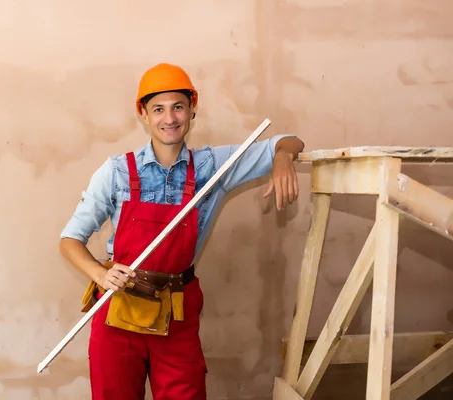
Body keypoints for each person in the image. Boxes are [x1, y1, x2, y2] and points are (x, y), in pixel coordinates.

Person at [59, 63, 305, 400]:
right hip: (117, 313)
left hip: (175, 313)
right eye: (158, 109)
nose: (169, 118)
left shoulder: (214, 168)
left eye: (178, 107)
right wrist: (100, 277)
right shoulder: (116, 171)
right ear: (143, 114)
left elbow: (289, 141)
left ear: (192, 109)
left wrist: (282, 160)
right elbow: (70, 240)